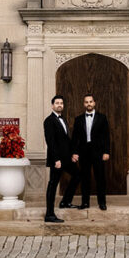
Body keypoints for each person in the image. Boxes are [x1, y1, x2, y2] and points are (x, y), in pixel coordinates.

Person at [43, 94, 80, 222]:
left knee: (77, 175)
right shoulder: (49, 121)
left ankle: (65, 201)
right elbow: (50, 142)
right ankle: (49, 214)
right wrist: (56, 159)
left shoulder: (63, 119)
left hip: (67, 159)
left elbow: (66, 141)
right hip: (57, 160)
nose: (59, 105)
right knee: (53, 185)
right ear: (52, 105)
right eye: (57, 103)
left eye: (61, 103)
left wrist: (73, 154)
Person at [71, 93, 110, 210]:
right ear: (84, 104)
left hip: (98, 152)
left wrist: (106, 152)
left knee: (100, 178)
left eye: (90, 101)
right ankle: (85, 202)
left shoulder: (102, 118)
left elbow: (106, 136)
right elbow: (75, 138)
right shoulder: (78, 119)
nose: (89, 104)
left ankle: (102, 203)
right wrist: (74, 152)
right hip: (84, 152)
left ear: (94, 103)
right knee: (85, 178)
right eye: (86, 102)